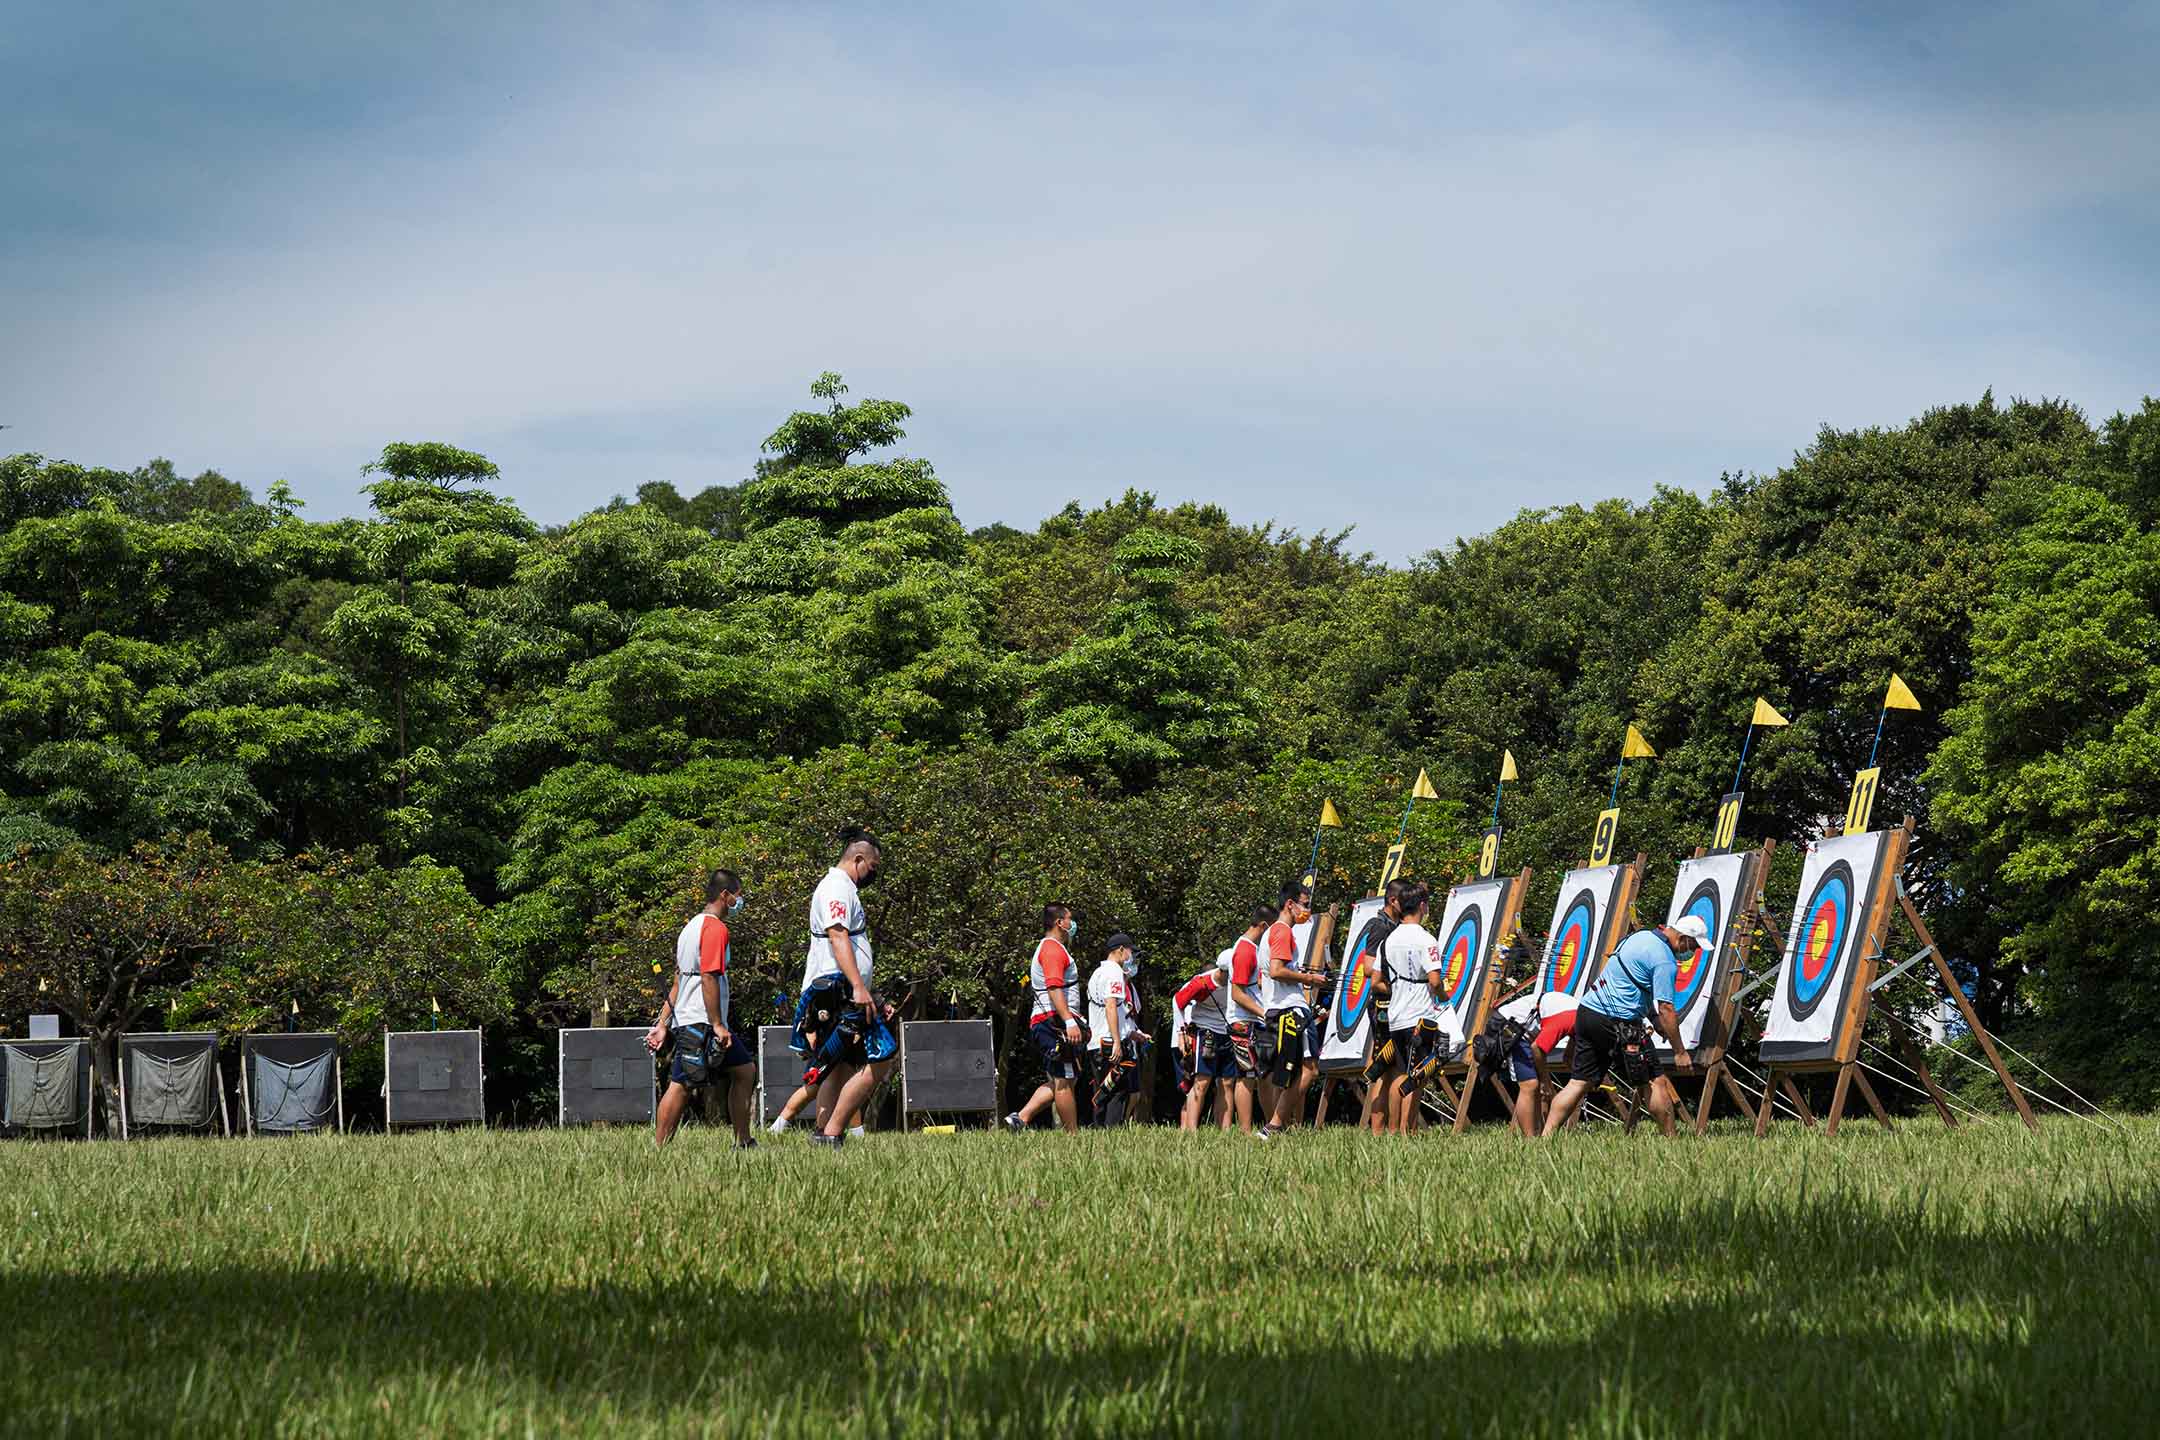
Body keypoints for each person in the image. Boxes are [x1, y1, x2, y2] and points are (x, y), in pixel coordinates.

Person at [1540, 915, 1708, 1138]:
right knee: (1655, 1081)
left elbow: (1634, 982)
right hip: (1620, 1023)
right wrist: (1679, 1052)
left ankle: (1546, 1137)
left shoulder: (1639, 937)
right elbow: (1666, 1007)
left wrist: (1653, 1019)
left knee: (1578, 1081)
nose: (1693, 952)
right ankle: (1672, 1140)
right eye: (1694, 946)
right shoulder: (1665, 961)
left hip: (1588, 1013)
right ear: (1684, 938)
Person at [794, 828, 894, 1149]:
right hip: (838, 990)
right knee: (882, 1058)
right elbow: (838, 937)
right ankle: (834, 1130)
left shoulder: (843, 888)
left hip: (843, 989)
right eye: (873, 868)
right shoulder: (837, 890)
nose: (873, 874)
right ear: (858, 859)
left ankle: (822, 1133)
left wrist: (870, 992)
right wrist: (857, 987)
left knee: (839, 1066)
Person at [646, 869, 756, 1148]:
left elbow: (677, 981)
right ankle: (659, 1149)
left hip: (692, 1017)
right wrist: (718, 1024)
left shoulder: (690, 927)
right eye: (737, 896)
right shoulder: (715, 928)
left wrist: (662, 1024)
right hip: (701, 1021)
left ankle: (743, 1142)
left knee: (744, 1070)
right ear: (725, 895)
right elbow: (708, 975)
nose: (738, 903)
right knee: (681, 1084)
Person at [1004, 904, 1086, 1133]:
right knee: (1063, 1080)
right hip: (1054, 1022)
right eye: (1070, 919)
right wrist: (1069, 1021)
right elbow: (1053, 987)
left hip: (1053, 1020)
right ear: (1060, 923)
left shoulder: (1055, 948)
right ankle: (1073, 1137)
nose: (1073, 924)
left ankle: (1020, 1118)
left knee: (1066, 1079)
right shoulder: (1052, 949)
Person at [1260, 883, 1329, 1137]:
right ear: (1290, 904)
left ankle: (1277, 1126)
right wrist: (1309, 979)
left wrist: (1301, 975)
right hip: (1291, 1009)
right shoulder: (1282, 932)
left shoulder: (1272, 933)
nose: (1308, 910)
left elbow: (1266, 976)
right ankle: (1275, 1126)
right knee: (1309, 1069)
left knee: (1286, 1073)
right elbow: (1277, 971)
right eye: (1305, 904)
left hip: (1278, 1009)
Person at [1377, 881, 1445, 1135]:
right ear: (1423, 906)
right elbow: (1435, 981)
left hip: (1395, 1015)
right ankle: (1410, 1132)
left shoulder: (1389, 940)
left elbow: (1377, 978)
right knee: (1417, 1076)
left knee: (1398, 1072)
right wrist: (1445, 996)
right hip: (1421, 1016)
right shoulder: (1426, 939)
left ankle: (1394, 1130)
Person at [1222, 902, 1276, 1138]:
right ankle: (1245, 1132)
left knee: (1263, 1076)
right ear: (1264, 926)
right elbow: (1237, 993)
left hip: (1253, 1021)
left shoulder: (1251, 949)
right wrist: (1264, 1013)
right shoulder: (1244, 950)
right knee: (1248, 1077)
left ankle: (1270, 1127)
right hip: (1243, 1022)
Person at [1085, 933, 1145, 1127]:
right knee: (1117, 1090)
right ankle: (1111, 1132)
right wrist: (1118, 1042)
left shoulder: (1097, 973)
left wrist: (1131, 1033)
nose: (1131, 957)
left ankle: (1100, 1130)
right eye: (1130, 951)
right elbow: (1111, 1006)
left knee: (1102, 1090)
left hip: (1096, 1042)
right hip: (1109, 1042)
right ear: (1121, 950)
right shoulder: (1114, 973)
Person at [1176, 954, 1235, 1131]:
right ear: (1222, 971)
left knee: (1227, 1083)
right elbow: (1177, 1001)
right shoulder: (1201, 982)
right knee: (1202, 1082)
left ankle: (1225, 1130)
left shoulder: (1238, 981)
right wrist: (1181, 1033)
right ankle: (1192, 1130)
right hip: (1206, 1032)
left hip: (1228, 1033)